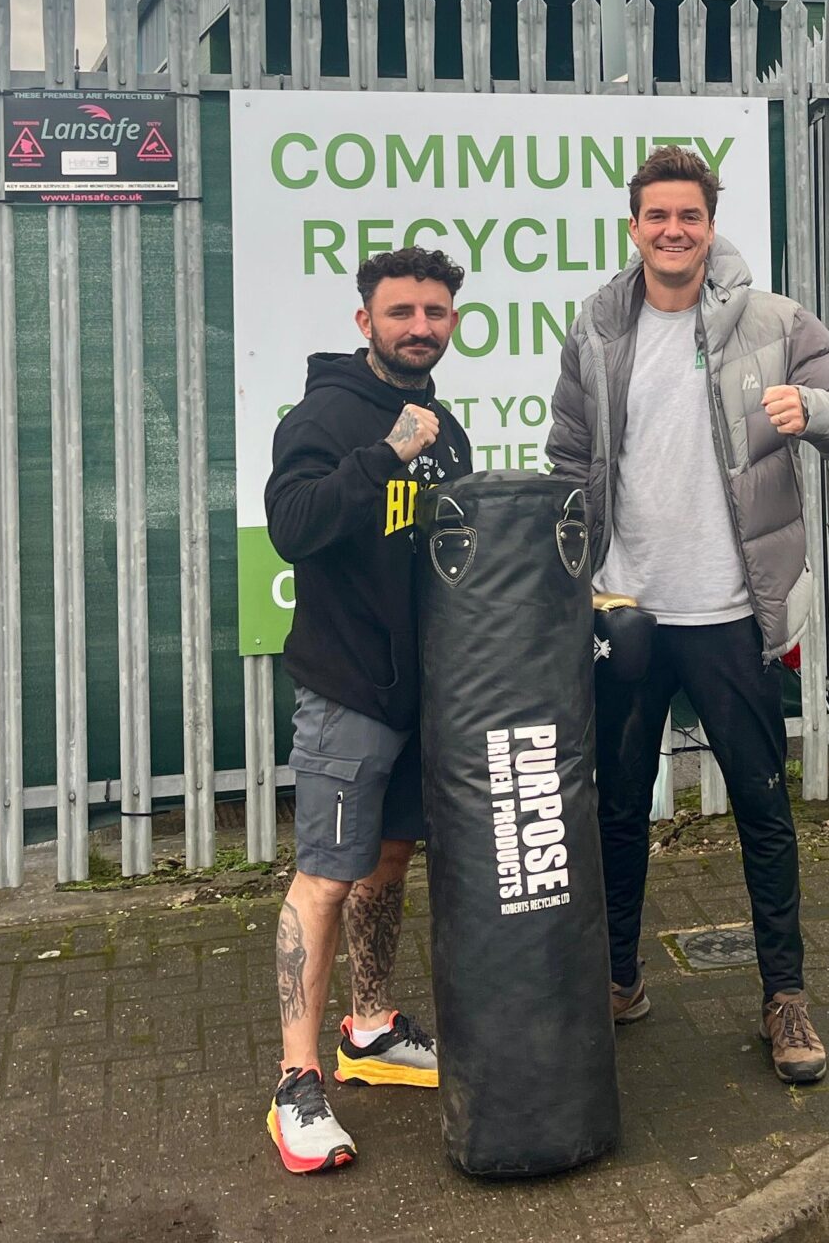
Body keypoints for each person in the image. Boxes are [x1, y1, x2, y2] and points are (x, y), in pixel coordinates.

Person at [548, 145, 829, 1085]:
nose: (672, 231)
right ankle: (618, 978)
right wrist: (571, 584)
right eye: (656, 216)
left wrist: (810, 407)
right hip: (627, 612)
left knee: (761, 806)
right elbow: (568, 459)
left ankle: (786, 997)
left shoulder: (773, 323)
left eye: (688, 216)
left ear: (710, 223)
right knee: (616, 807)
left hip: (733, 611)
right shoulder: (597, 327)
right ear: (634, 227)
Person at [261, 246, 475, 1174]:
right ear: (366, 323)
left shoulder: (446, 426)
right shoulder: (325, 417)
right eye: (401, 312)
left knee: (390, 860)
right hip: (348, 689)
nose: (419, 326)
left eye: (435, 311)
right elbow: (294, 523)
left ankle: (372, 1027)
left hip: (419, 694)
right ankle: (295, 1081)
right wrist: (383, 455)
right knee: (325, 875)